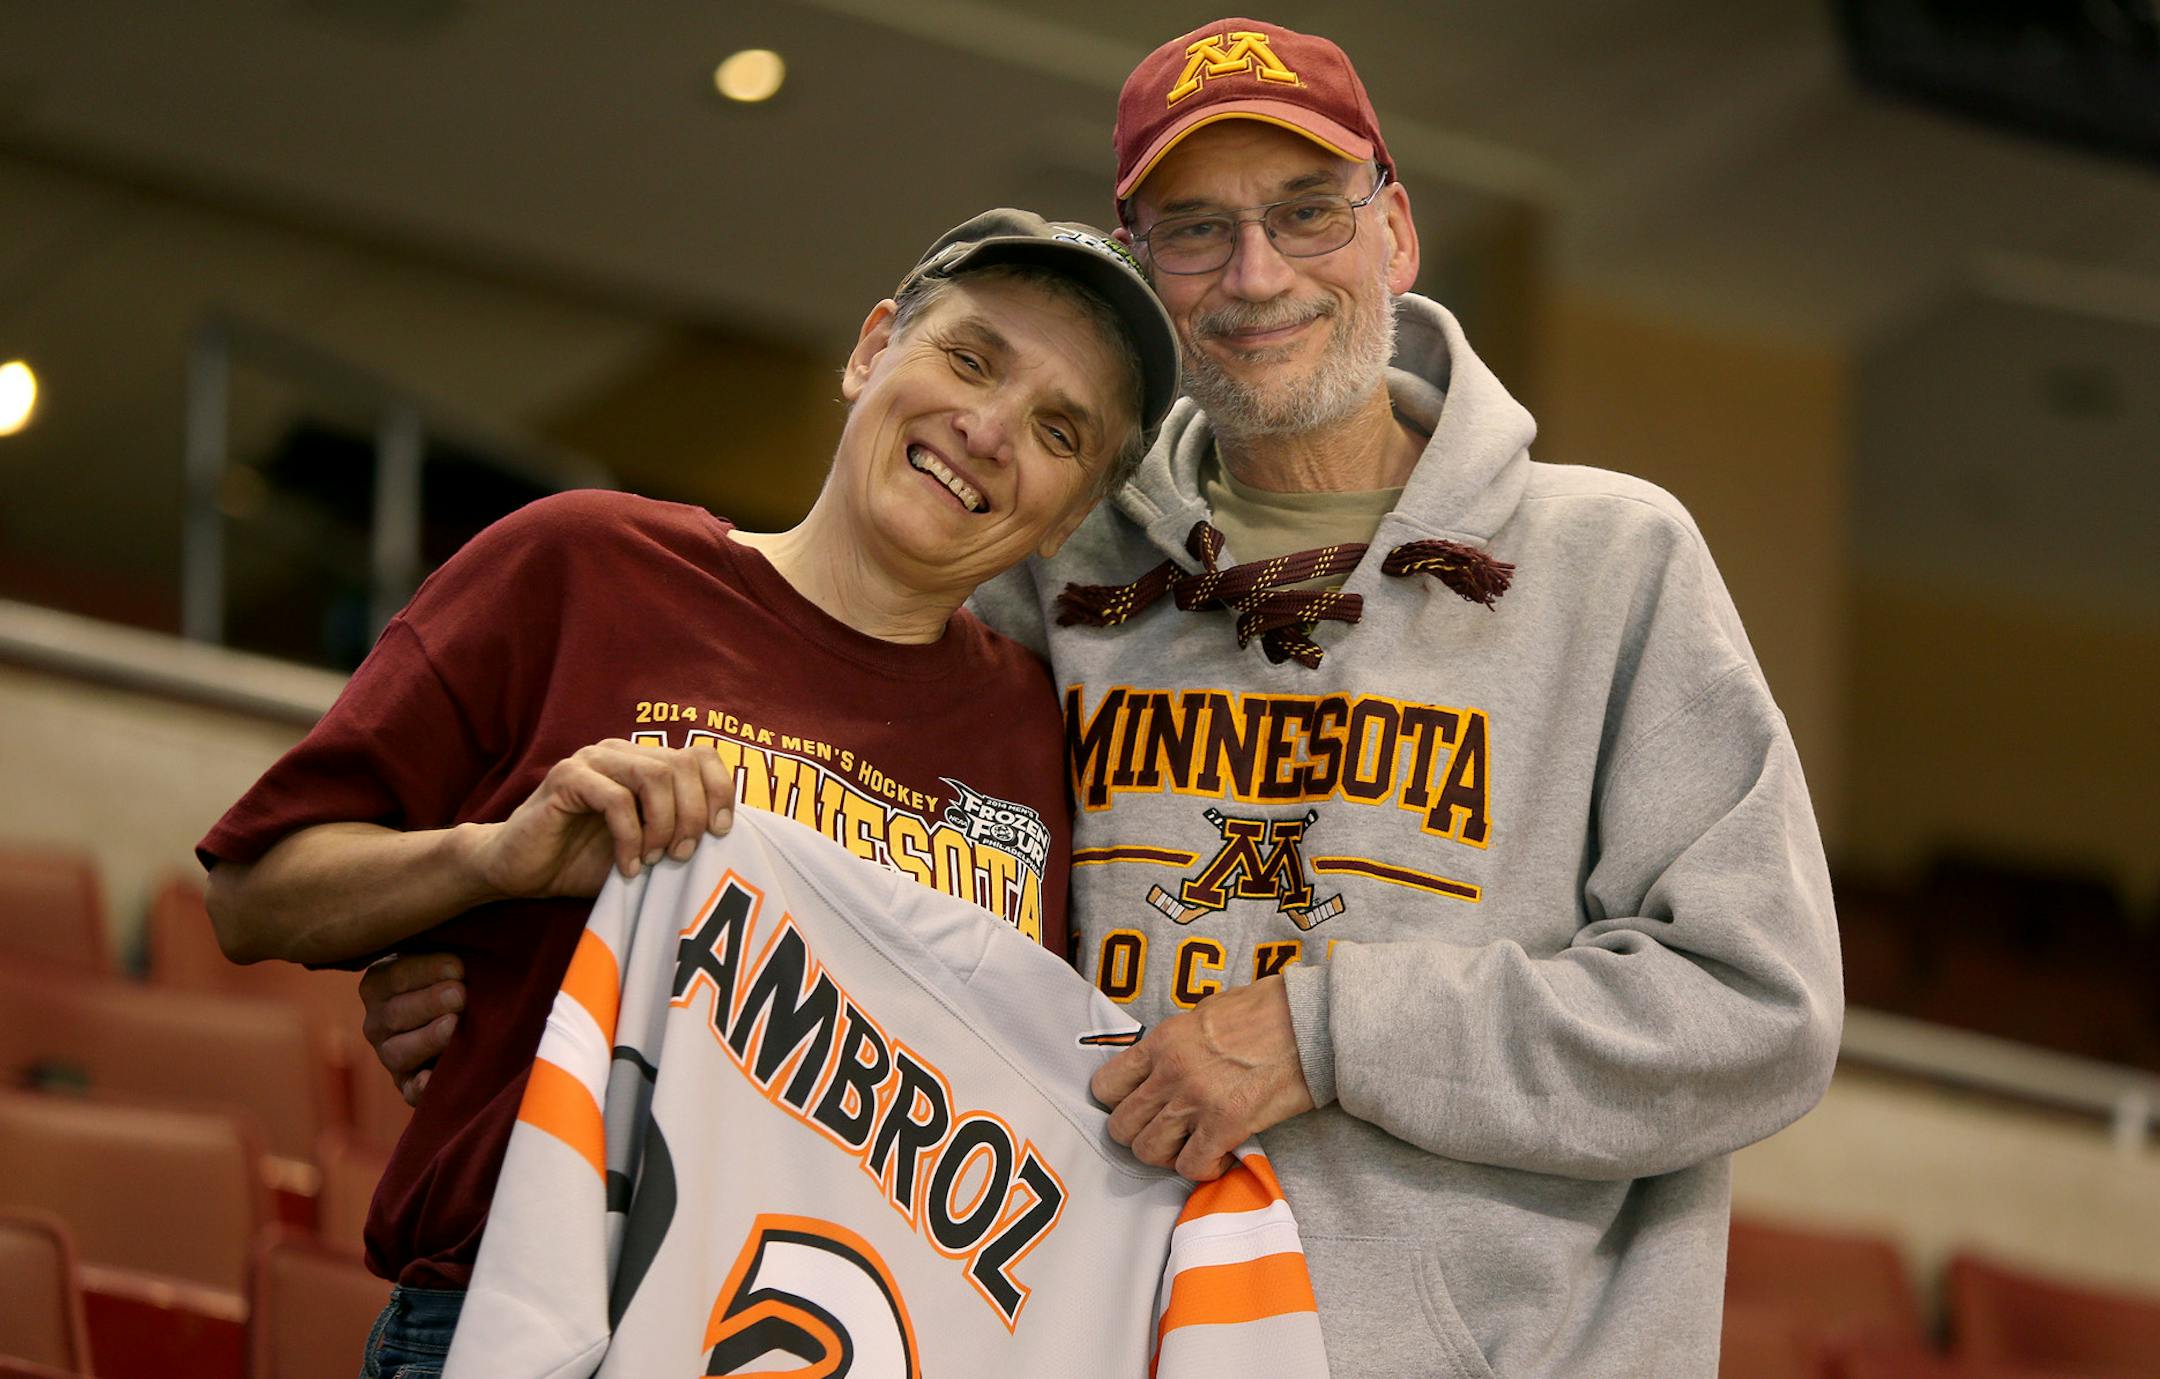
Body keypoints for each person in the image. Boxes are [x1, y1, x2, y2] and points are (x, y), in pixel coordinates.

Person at [367, 18, 1844, 1375]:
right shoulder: (1055, 564)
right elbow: (853, 842)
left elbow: (1757, 1005)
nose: (1255, 272)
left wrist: (1325, 1030)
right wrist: (536, 949)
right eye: (1196, 232)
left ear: (1395, 229)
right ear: (1150, 278)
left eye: (1305, 210)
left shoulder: (1611, 561)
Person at [197, 207, 1178, 1375]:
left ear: (1070, 513)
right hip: (518, 1318)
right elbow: (252, 891)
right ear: (872, 349)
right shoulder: (584, 562)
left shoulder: (1050, 744)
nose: (988, 425)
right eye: (969, 358)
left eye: (1060, 430)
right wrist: (486, 864)